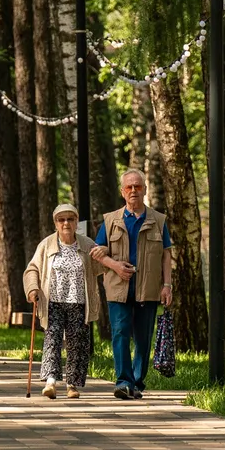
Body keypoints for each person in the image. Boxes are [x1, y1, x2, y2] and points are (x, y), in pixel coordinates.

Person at [89, 168, 174, 401]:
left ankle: (136, 382)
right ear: (122, 191)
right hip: (118, 287)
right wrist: (115, 266)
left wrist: (167, 285)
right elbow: (97, 253)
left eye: (138, 186)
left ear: (145, 190)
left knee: (143, 338)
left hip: (148, 289)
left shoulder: (158, 220)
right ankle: (123, 381)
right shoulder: (110, 220)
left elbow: (166, 254)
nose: (134, 190)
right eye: (129, 187)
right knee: (120, 333)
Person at [24, 203, 112, 399]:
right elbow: (32, 269)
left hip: (80, 301)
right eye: (61, 219)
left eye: (70, 219)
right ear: (55, 223)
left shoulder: (86, 243)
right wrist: (32, 289)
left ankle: (72, 385)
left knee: (77, 343)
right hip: (52, 300)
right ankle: (51, 382)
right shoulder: (46, 244)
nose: (66, 223)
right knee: (52, 339)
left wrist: (105, 250)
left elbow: (103, 263)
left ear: (76, 223)